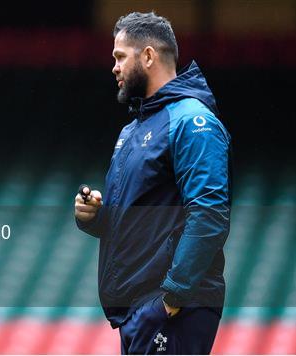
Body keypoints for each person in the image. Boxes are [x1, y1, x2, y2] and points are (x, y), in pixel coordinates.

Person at [74, 12, 231, 354]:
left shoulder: (192, 119)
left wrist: (171, 298)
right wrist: (95, 217)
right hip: (140, 311)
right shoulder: (132, 130)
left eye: (119, 56)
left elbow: (209, 214)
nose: (113, 67)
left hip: (170, 307)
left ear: (147, 56)